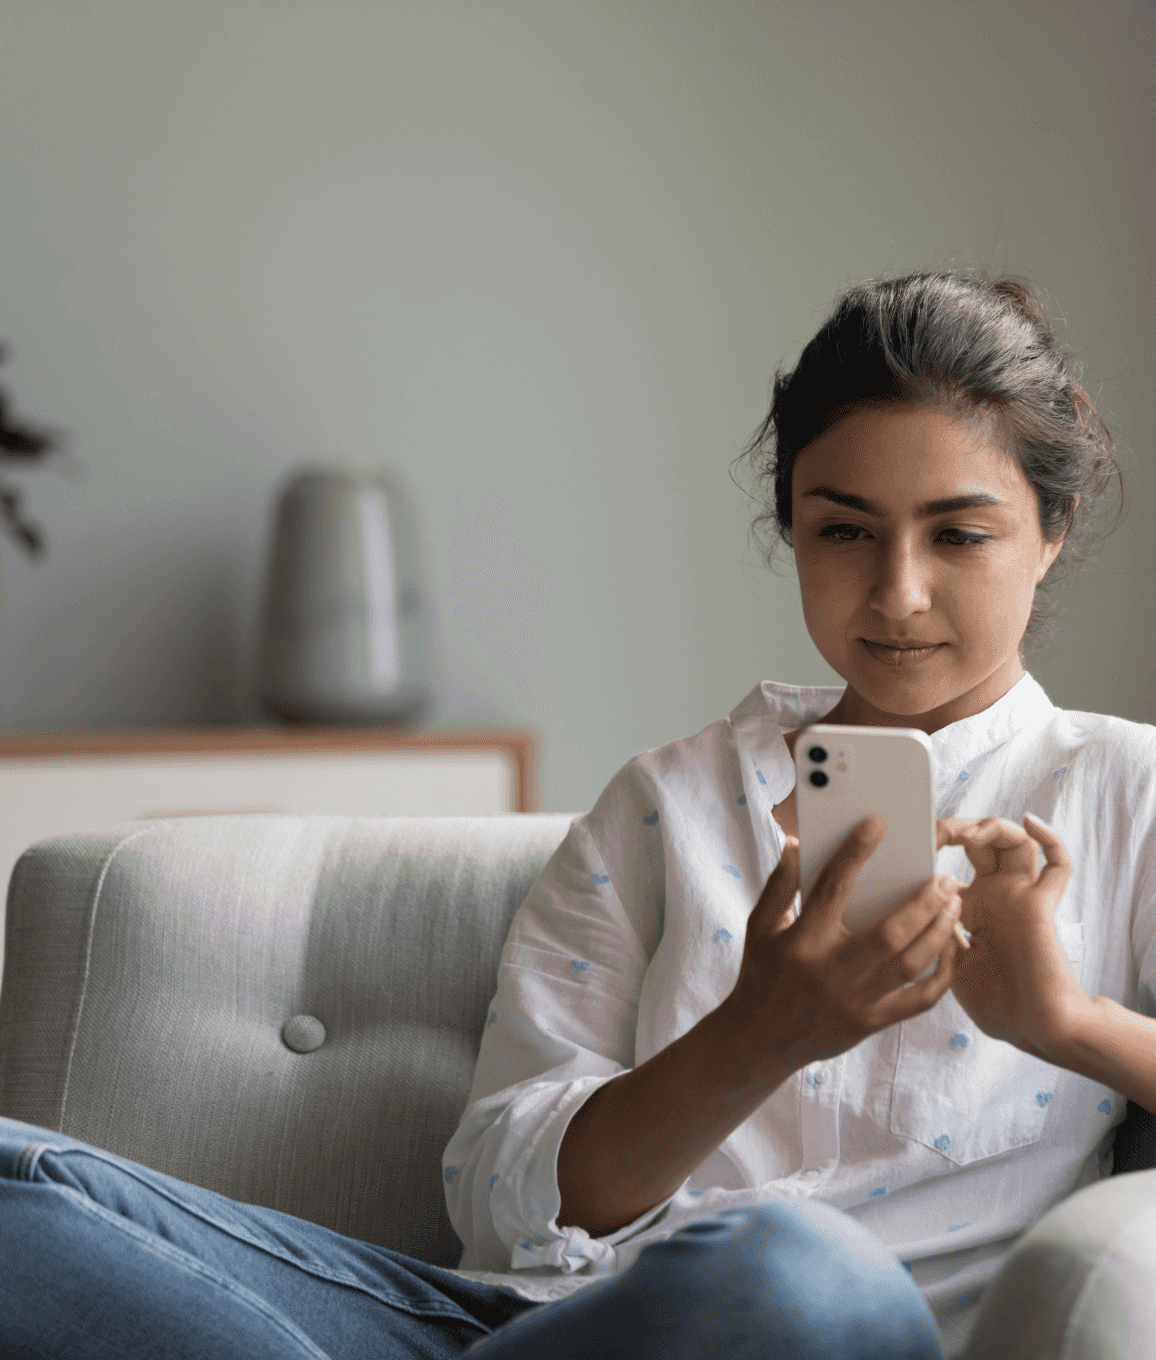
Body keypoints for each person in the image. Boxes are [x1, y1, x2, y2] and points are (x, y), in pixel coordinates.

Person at [2, 271, 1153, 1360]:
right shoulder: (669, 802)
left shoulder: (1124, 792)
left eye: (959, 534)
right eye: (843, 529)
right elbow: (503, 1201)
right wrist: (759, 1034)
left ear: (1049, 532)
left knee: (793, 1268)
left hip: (806, 1323)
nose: (897, 592)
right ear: (789, 525)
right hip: (514, 1326)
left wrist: (1063, 1020)